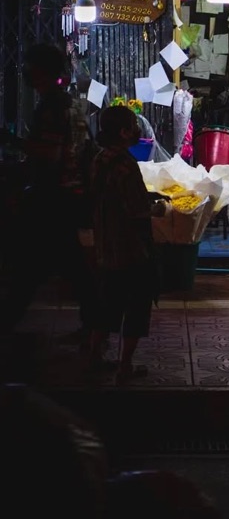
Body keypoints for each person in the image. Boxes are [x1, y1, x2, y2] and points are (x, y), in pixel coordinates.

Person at [0, 42, 98, 341]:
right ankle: (94, 325)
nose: (25, 72)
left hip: (54, 197)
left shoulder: (52, 107)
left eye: (30, 67)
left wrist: (13, 142)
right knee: (64, 264)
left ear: (40, 71)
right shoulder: (69, 103)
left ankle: (94, 325)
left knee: (32, 266)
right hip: (69, 194)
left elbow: (51, 153)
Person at [86, 105, 166, 385]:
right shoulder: (126, 165)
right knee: (136, 308)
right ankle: (125, 366)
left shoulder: (100, 159)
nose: (136, 130)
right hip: (131, 249)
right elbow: (136, 210)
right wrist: (157, 208)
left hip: (105, 246)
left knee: (106, 305)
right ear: (123, 132)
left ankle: (94, 357)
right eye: (132, 125)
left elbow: (108, 197)